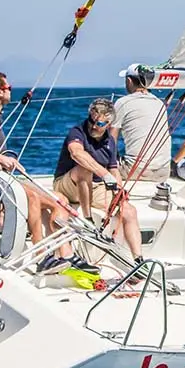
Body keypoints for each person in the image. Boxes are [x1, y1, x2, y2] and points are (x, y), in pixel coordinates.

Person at [0, 71, 86, 272]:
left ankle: (65, 254)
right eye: (8, 88)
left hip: (3, 175)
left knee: (59, 200)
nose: (11, 90)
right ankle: (41, 256)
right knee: (32, 197)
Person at [53, 99, 144, 262]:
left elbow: (114, 169)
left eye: (100, 123)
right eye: (92, 121)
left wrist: (119, 191)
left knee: (128, 210)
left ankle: (138, 260)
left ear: (109, 124)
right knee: (84, 168)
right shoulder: (77, 132)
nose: (94, 126)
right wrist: (103, 174)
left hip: (93, 188)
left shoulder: (110, 141)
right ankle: (87, 220)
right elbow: (76, 153)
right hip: (67, 184)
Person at [112, 64, 172, 182]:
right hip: (163, 172)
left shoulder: (123, 103)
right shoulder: (159, 103)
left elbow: (110, 139)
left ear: (129, 81)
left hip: (135, 171)